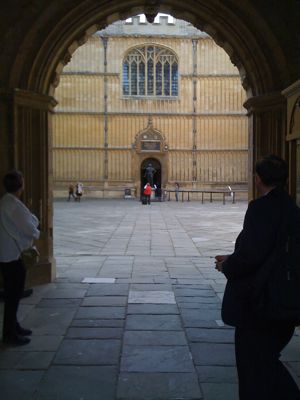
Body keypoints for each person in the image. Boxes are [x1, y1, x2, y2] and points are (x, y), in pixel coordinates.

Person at [215, 155, 300, 400]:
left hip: (261, 303)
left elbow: (251, 256)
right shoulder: (292, 209)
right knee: (265, 361)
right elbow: (274, 251)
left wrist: (228, 265)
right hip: (286, 300)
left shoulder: (260, 208)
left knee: (253, 368)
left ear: (258, 178)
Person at [0, 170, 40, 345]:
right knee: (13, 296)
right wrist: (36, 228)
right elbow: (31, 226)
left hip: (7, 254)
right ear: (21, 185)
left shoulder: (6, 202)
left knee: (12, 294)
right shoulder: (14, 205)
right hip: (14, 256)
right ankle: (9, 334)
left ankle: (14, 326)